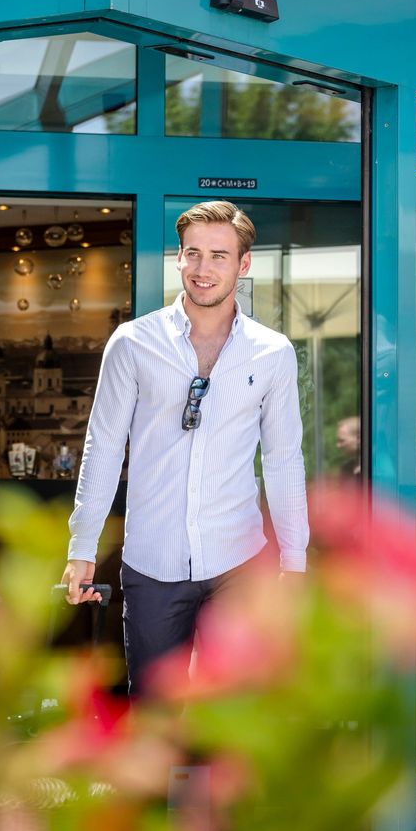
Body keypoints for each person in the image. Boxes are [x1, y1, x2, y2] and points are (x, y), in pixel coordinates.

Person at [61, 201, 308, 697]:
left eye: (219, 255)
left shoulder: (273, 352)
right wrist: (82, 548)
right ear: (178, 258)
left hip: (238, 558)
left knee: (236, 716)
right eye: (192, 253)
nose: (203, 268)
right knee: (154, 716)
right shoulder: (132, 343)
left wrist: (294, 559)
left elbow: (283, 460)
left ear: (243, 265)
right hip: (153, 561)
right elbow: (104, 448)